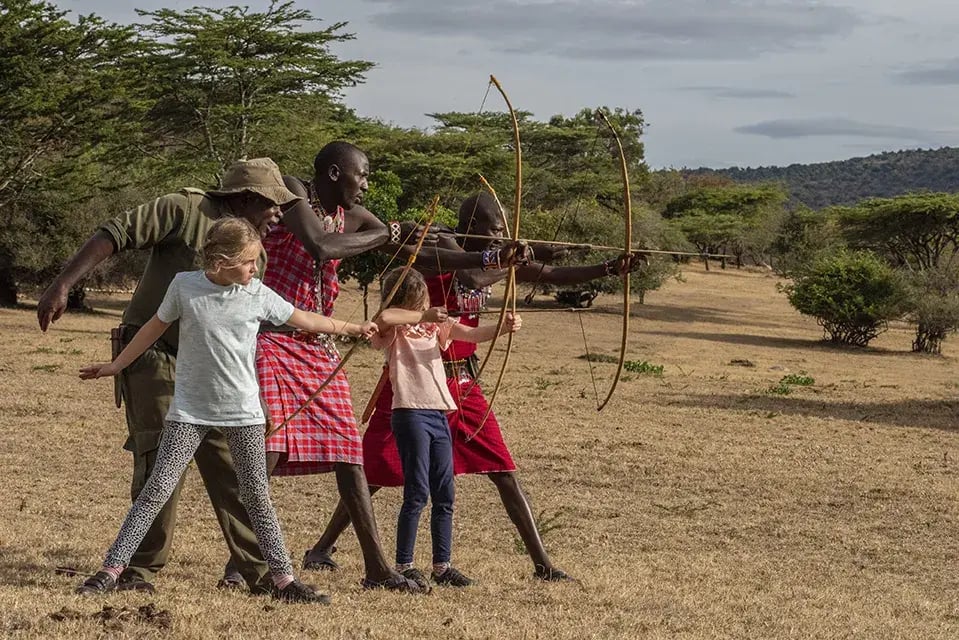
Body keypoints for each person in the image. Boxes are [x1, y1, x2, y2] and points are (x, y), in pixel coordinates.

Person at [310, 191, 645, 581]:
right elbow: (470, 273)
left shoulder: (495, 257)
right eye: (494, 229)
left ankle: (543, 564)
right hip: (412, 381)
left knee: (502, 469)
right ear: (471, 226)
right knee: (376, 470)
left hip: (462, 384)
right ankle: (322, 547)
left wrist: (609, 268)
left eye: (502, 231)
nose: (500, 235)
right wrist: (509, 258)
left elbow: (550, 274)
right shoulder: (440, 244)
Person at [241, 141, 527, 592]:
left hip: (319, 344)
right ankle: (241, 562)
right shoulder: (293, 192)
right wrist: (391, 232)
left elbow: (423, 253)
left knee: (349, 455)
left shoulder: (355, 217)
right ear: (334, 174)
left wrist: (491, 258)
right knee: (270, 451)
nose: (366, 185)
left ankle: (377, 569)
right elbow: (320, 245)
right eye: (362, 175)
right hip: (275, 338)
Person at [74, 218, 378, 602]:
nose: (255, 269)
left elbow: (303, 318)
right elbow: (153, 327)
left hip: (244, 416)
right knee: (156, 492)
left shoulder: (257, 293)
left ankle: (284, 581)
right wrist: (116, 365)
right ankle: (110, 570)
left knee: (257, 498)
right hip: (189, 413)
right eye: (249, 262)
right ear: (221, 262)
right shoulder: (184, 287)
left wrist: (352, 328)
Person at [37, 158, 298, 594]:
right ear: (246, 198)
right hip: (153, 354)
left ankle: (262, 574)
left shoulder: (255, 253)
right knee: (160, 461)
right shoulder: (183, 208)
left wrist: (255, 392)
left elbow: (242, 330)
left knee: (233, 470)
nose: (278, 214)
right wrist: (63, 283)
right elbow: (114, 233)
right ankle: (138, 572)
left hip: (213, 374)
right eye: (273, 203)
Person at [370, 267, 522, 589]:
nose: (428, 301)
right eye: (422, 296)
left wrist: (503, 328)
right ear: (411, 299)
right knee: (417, 492)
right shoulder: (394, 330)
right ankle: (405, 564)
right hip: (410, 414)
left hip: (439, 413)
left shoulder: (434, 327)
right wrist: (422, 315)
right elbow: (384, 317)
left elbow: (472, 334)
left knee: (444, 493)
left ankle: (442, 566)